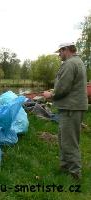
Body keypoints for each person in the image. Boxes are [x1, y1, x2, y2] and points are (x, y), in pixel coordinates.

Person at [43, 42, 88, 180]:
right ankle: (64, 167)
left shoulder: (69, 64)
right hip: (72, 107)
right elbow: (68, 85)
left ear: (67, 50)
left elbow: (63, 88)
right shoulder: (77, 61)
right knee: (64, 139)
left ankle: (75, 174)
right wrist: (54, 91)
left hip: (71, 108)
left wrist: (51, 95)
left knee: (69, 142)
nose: (59, 55)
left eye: (60, 52)